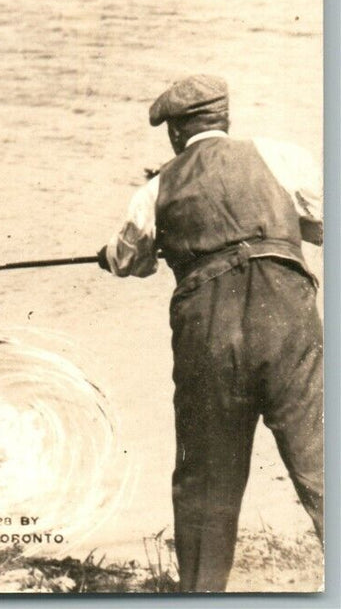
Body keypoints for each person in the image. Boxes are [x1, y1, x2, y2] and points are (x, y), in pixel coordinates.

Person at [97, 74, 322, 592]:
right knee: (321, 457)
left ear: (175, 133)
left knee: (206, 479)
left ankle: (201, 595)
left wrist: (109, 257)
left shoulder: (155, 189)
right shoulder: (280, 156)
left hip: (208, 335)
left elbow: (129, 258)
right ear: (224, 118)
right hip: (287, 322)